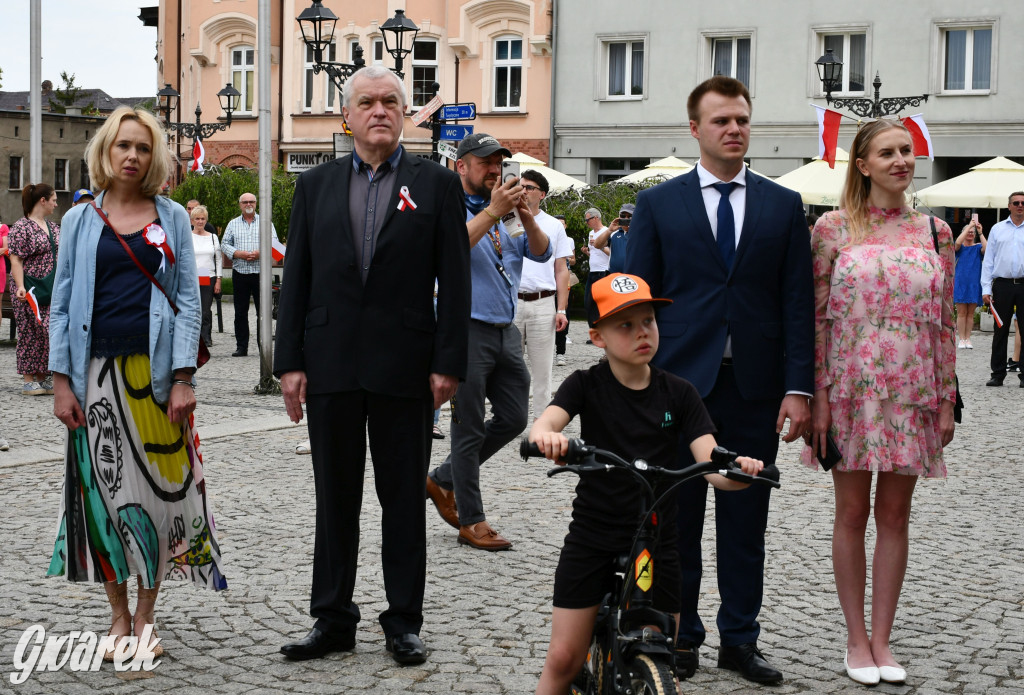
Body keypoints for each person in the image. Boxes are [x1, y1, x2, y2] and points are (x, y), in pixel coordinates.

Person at [274, 65, 471, 665]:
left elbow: (455, 281)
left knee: (403, 499)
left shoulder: (436, 185)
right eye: (367, 102)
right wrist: (290, 362)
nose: (380, 110)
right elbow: (298, 277)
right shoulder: (315, 186)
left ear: (405, 113)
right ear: (348, 115)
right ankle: (332, 618)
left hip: (407, 365)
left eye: (391, 101)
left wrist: (448, 363)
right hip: (330, 362)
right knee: (334, 499)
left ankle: (403, 621)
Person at [624, 76, 813, 684]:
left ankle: (740, 637)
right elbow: (634, 302)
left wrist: (798, 387)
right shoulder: (659, 204)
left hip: (755, 386)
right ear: (695, 130)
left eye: (741, 120)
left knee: (745, 522)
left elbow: (797, 304)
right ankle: (682, 635)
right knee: (675, 520)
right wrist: (636, 383)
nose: (734, 129)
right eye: (721, 121)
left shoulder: (782, 206)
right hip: (678, 387)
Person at [46, 106, 225, 662]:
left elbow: (189, 303)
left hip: (153, 381)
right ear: (105, 151)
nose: (132, 155)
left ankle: (146, 617)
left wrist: (182, 377)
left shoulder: (170, 216)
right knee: (102, 499)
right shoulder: (79, 220)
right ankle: (117, 616)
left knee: (160, 496)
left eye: (143, 148)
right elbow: (59, 304)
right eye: (123, 145)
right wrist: (60, 382)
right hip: (93, 377)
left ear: (155, 158)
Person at [530, 273, 764, 695]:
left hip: (658, 542)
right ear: (597, 337)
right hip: (593, 537)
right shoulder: (584, 385)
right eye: (626, 325)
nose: (642, 332)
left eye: (648, 321)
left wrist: (740, 472)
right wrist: (549, 437)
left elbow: (711, 463)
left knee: (662, 654)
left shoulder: (679, 392)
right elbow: (543, 425)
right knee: (563, 658)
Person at [805, 119, 956, 686]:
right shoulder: (831, 228)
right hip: (849, 391)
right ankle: (855, 638)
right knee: (852, 513)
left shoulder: (935, 232)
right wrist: (818, 397)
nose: (901, 160)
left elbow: (943, 325)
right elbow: (817, 319)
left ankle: (884, 640)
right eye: (888, 153)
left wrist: (945, 400)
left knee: (895, 515)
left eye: (907, 151)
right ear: (862, 164)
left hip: (912, 391)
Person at [425, 132, 550, 552]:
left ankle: (442, 479)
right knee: (468, 427)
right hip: (465, 328)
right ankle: (472, 520)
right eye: (485, 162)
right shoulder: (449, 205)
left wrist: (525, 214)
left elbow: (541, 252)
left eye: (499, 162)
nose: (495, 169)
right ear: (462, 166)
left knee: (514, 418)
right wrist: (493, 213)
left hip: (504, 329)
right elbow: (449, 250)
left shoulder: (506, 210)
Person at [515, 169, 572, 416]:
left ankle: (541, 420)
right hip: (512, 300)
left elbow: (562, 269)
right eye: (521, 186)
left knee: (542, 369)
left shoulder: (553, 226)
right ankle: (508, 417)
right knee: (508, 366)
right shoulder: (507, 220)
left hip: (543, 301)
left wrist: (562, 308)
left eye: (530, 187)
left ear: (542, 194)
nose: (524, 190)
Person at [9, 183, 61, 396]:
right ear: (43, 200)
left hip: (49, 287)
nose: (56, 204)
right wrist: (20, 286)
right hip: (28, 288)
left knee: (49, 330)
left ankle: (44, 376)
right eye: (54, 199)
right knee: (29, 331)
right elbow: (16, 259)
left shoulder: (52, 227)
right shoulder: (22, 226)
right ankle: (29, 379)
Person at [222, 192, 275, 356]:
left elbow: (275, 243)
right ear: (240, 205)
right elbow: (224, 244)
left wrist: (261, 252)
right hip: (241, 272)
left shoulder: (266, 222)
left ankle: (263, 346)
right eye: (245, 202)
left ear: (256, 203)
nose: (248, 204)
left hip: (261, 273)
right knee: (240, 312)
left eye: (251, 201)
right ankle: (242, 346)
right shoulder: (232, 224)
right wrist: (238, 253)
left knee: (263, 312)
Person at [980, 191, 1024, 387]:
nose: (1020, 206)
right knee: (1000, 331)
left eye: (1023, 203)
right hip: (1003, 285)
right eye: (1016, 202)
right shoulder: (997, 229)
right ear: (1009, 206)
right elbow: (988, 261)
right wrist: (986, 289)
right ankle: (997, 374)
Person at [190, 204, 222, 348]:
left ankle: (206, 337)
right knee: (191, 308)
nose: (200, 221)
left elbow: (218, 259)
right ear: (192, 220)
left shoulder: (213, 237)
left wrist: (219, 280)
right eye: (197, 218)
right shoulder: (188, 236)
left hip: (206, 274)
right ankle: (191, 337)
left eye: (203, 219)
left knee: (205, 309)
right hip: (191, 275)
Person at [953, 218, 986, 348]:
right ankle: (961, 338)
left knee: (970, 313)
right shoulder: (960, 248)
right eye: (968, 231)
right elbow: (957, 242)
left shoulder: (978, 248)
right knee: (961, 312)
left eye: (972, 232)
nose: (970, 233)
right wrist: (969, 226)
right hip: (961, 282)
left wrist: (980, 232)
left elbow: (987, 249)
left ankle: (968, 338)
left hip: (974, 283)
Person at [582, 208, 610, 316]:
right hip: (593, 271)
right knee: (588, 302)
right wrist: (587, 252)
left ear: (596, 218)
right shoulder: (591, 233)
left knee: (601, 303)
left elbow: (612, 253)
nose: (586, 222)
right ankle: (593, 325)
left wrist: (599, 246)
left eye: (588, 220)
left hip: (603, 271)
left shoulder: (606, 232)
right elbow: (595, 254)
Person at [593, 202, 634, 273]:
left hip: (634, 276)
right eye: (623, 216)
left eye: (630, 216)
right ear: (619, 217)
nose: (626, 219)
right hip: (614, 276)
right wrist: (609, 230)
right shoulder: (614, 233)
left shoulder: (640, 234)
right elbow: (597, 245)